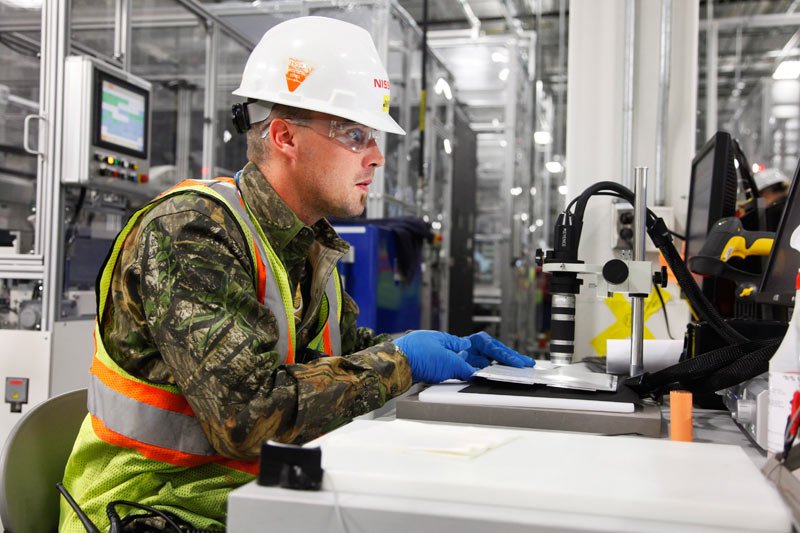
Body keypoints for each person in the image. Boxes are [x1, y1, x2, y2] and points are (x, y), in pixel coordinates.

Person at [59, 16, 534, 532]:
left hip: (258, 494)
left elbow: (343, 357)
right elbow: (247, 415)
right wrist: (399, 362)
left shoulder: (307, 246)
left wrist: (424, 349)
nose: (375, 157)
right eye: (356, 135)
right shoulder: (191, 233)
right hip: (155, 508)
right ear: (285, 136)